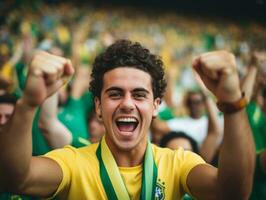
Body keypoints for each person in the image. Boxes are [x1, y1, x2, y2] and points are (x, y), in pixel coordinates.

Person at [0, 40, 254, 199]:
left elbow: (232, 193)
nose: (127, 103)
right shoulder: (73, 162)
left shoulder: (177, 164)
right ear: (98, 106)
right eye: (115, 94)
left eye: (140, 94)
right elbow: (15, 179)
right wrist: (28, 105)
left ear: (156, 106)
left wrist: (232, 105)